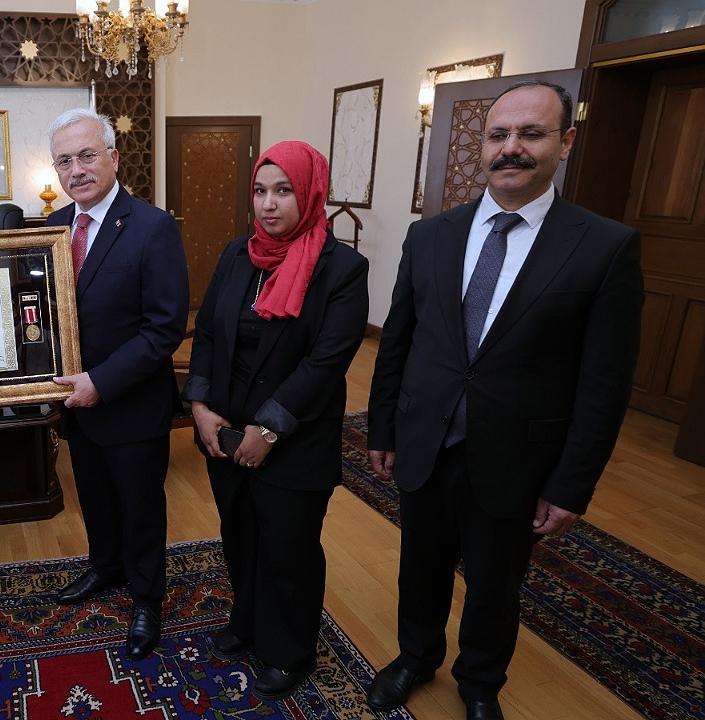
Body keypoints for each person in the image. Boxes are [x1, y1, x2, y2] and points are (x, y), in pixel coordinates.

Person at [366, 80, 643, 720]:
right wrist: (382, 429)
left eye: (531, 134)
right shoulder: (430, 235)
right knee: (421, 565)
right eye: (499, 135)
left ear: (565, 142)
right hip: (426, 440)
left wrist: (573, 484)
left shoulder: (604, 247)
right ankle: (415, 656)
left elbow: (604, 383)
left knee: (496, 581)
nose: (511, 148)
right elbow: (397, 341)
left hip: (519, 455)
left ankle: (481, 680)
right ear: (481, 145)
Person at [183, 141, 368, 699]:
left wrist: (269, 429)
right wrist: (200, 407)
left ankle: (291, 651)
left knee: (289, 546)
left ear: (310, 193)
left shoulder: (343, 268)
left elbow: (326, 360)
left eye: (284, 190)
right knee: (240, 534)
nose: (269, 204)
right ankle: (247, 622)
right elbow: (211, 331)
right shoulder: (238, 254)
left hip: (294, 438)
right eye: (261, 191)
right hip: (226, 428)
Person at [46, 107, 189, 661]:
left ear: (113, 157)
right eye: (65, 160)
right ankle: (104, 568)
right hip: (75, 404)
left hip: (129, 402)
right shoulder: (57, 230)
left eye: (86, 155)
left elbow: (164, 329)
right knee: (96, 498)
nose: (76, 169)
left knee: (141, 506)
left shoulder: (153, 227)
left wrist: (100, 383)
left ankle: (148, 596)